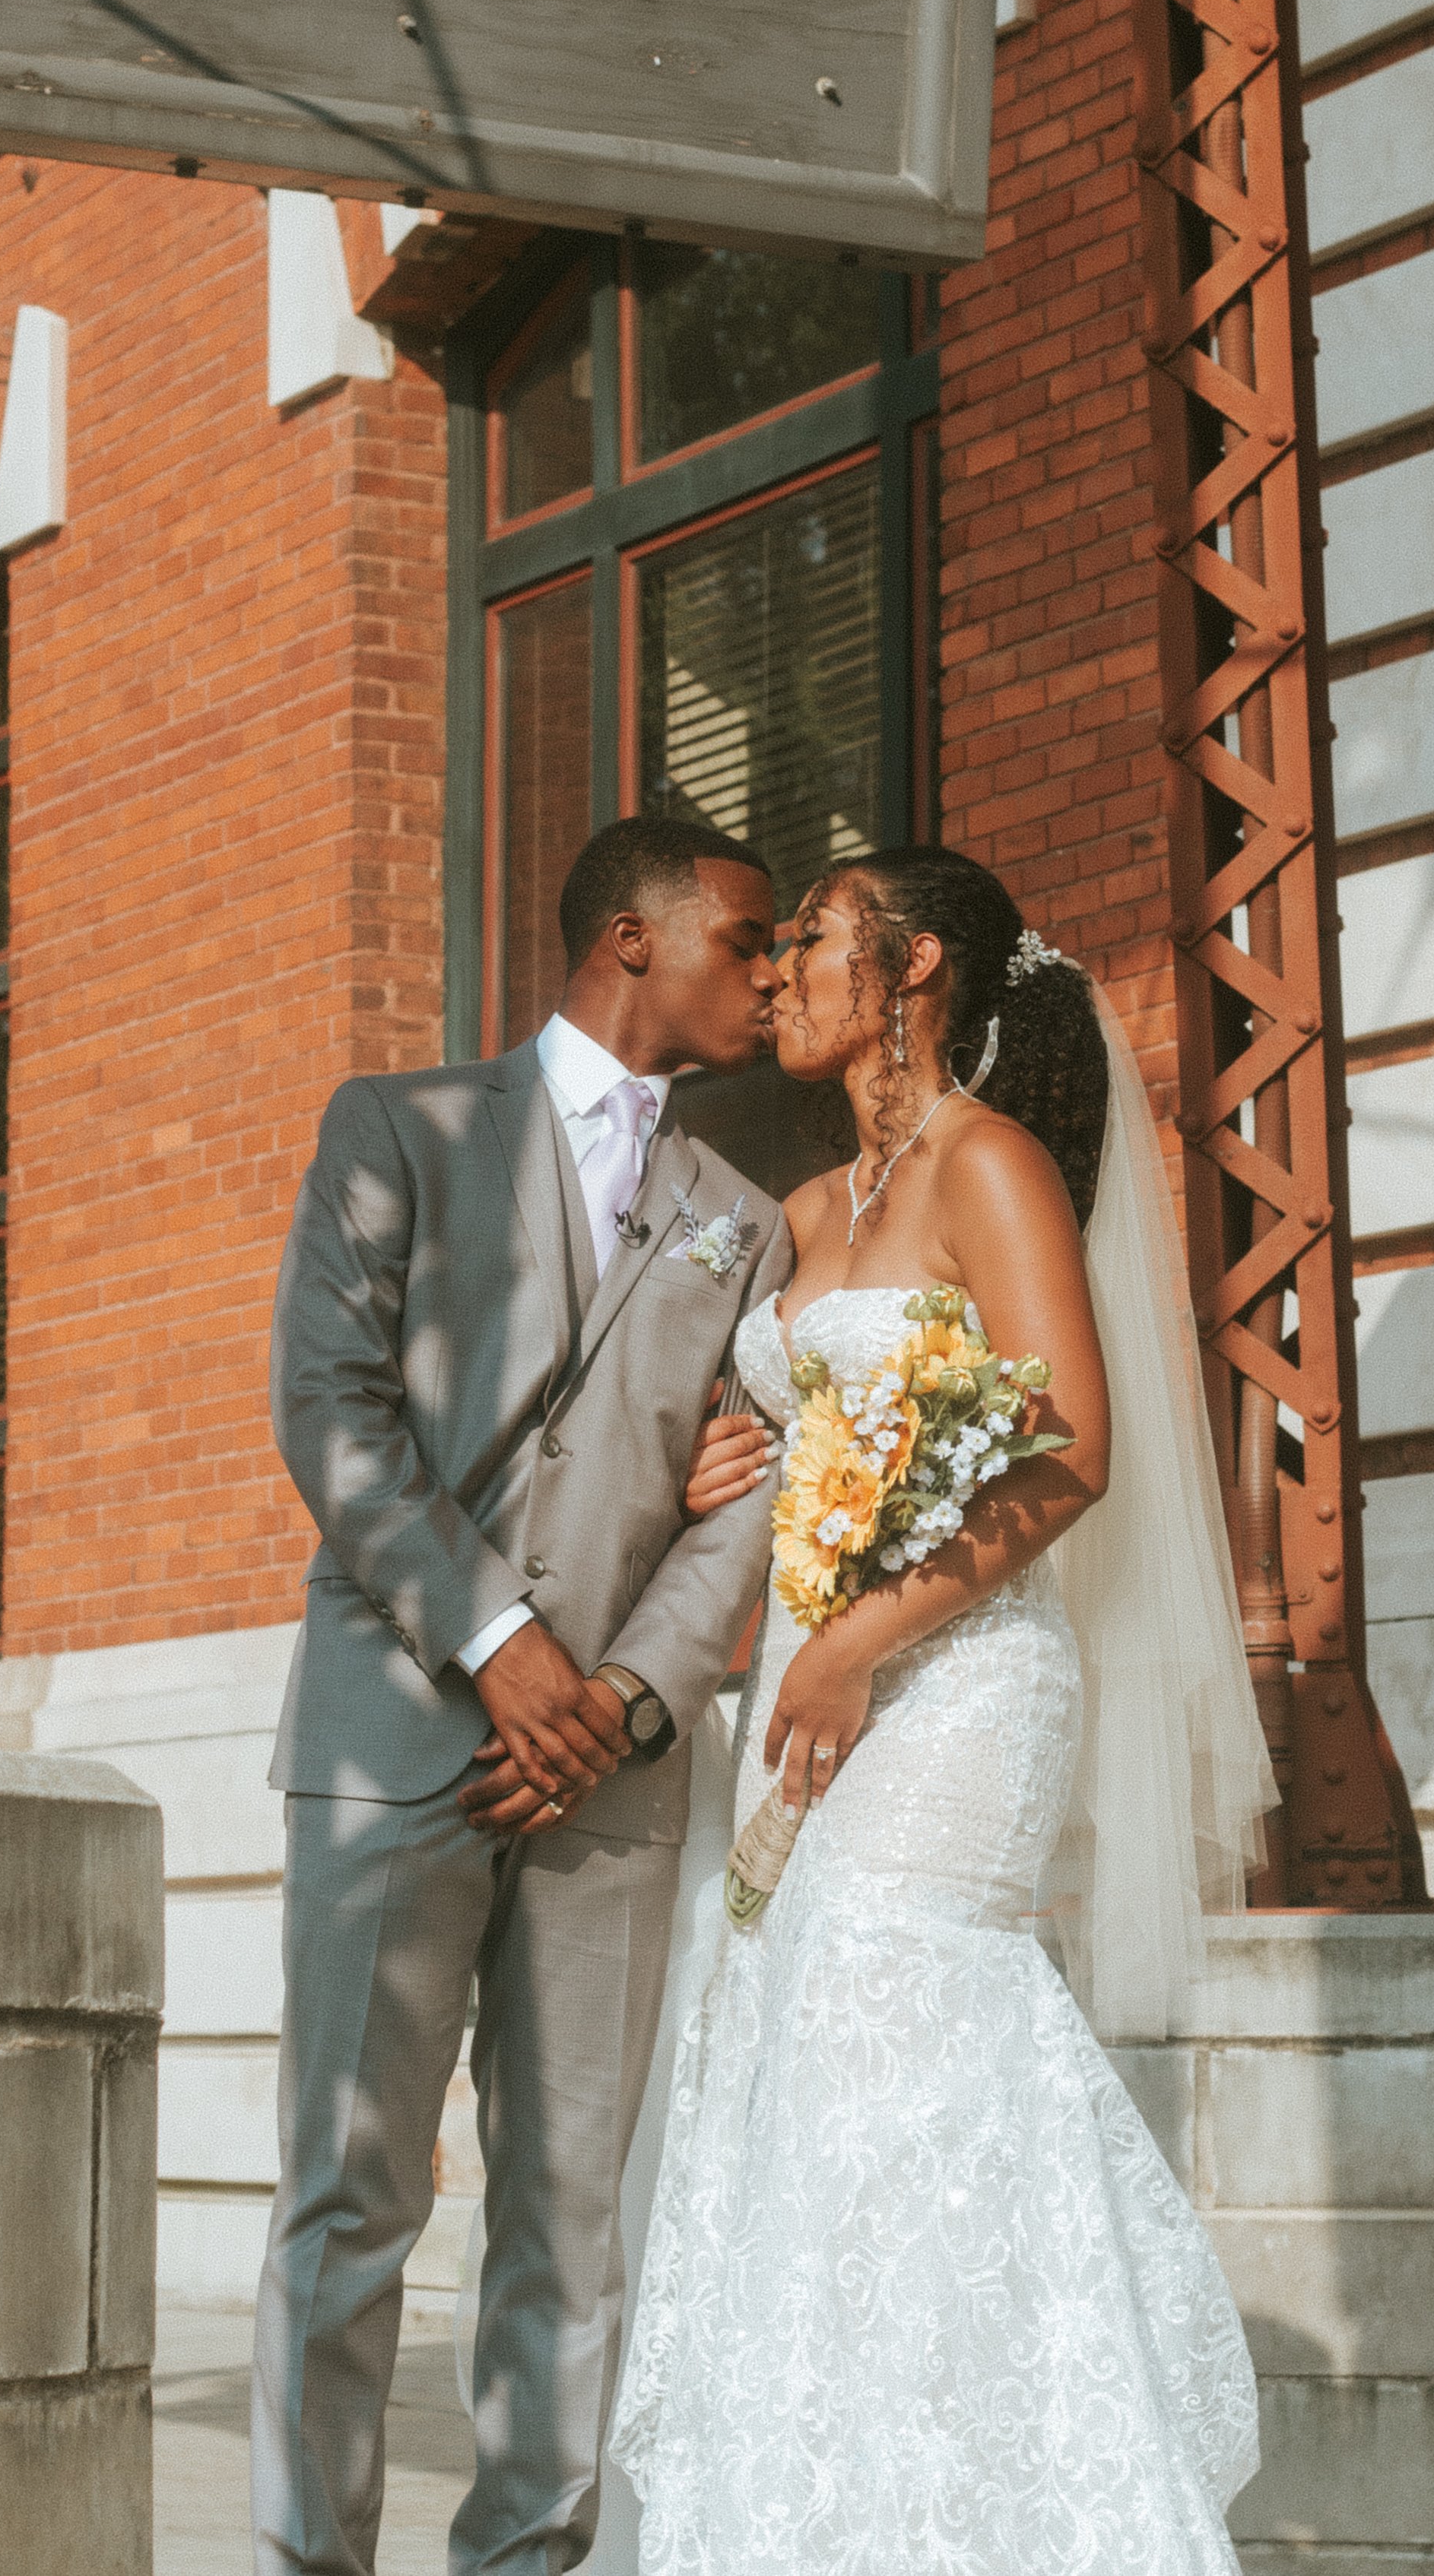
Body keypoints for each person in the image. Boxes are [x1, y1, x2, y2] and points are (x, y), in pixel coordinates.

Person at [610, 843, 1279, 2576]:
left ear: (909, 968)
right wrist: (719, 1463)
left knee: (888, 2042)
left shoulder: (990, 1170)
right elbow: (798, 1444)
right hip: (800, 1693)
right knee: (781, 2075)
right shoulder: (812, 1210)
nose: (776, 975)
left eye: (813, 940)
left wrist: (853, 1646)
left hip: (959, 1690)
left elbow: (1066, 1444)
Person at [252, 815, 793, 2576]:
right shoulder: (394, 1128)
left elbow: (755, 1498)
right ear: (631, 938)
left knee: (568, 2227)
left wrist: (625, 1702)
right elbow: (332, 1412)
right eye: (744, 938)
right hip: (393, 1746)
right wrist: (505, 1649)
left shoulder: (745, 1225)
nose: (769, 972)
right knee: (349, 2206)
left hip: (607, 1789)